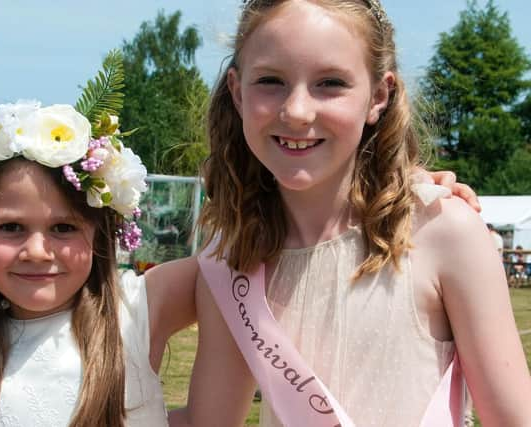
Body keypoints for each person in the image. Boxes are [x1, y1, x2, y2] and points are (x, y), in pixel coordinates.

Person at [172, 1, 531, 426]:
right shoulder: (232, 259)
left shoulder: (444, 231)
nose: (297, 111)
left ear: (378, 96)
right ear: (236, 90)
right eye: (270, 81)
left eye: (330, 83)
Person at [0, 60, 196, 426]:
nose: (37, 250)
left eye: (64, 228)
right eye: (11, 227)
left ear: (97, 231)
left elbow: (246, 252)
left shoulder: (139, 307)